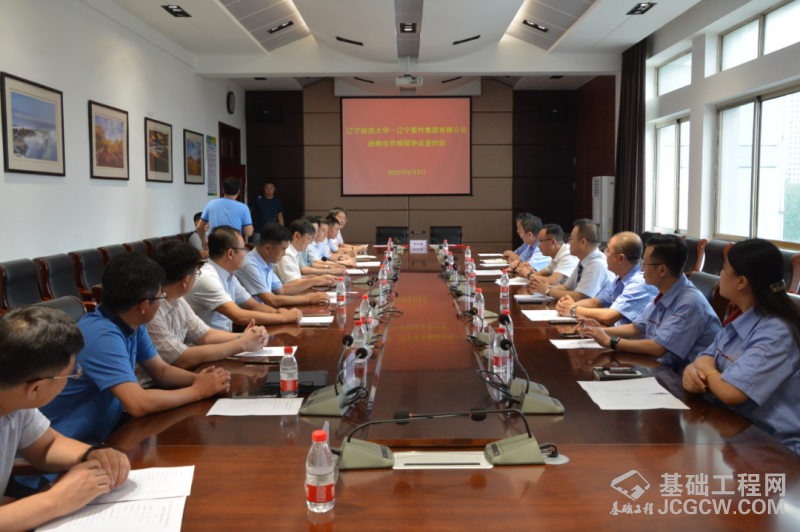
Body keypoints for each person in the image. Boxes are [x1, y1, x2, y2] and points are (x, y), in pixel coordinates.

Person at [40, 253, 232, 446]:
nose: (162, 301)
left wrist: (201, 380)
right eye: (161, 297)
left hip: (100, 435)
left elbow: (161, 371)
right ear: (143, 305)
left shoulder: (130, 321)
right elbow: (137, 403)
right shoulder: (101, 335)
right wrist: (198, 391)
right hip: (61, 448)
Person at [0, 307, 131, 532]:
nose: (75, 375)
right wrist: (57, 500)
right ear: (35, 388)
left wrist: (92, 453)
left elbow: (46, 445)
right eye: (72, 372)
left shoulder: (16, 402)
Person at [683, 239, 800, 454]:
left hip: (773, 446)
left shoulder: (775, 333)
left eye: (724, 269)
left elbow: (731, 392)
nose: (720, 274)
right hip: (734, 429)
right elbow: (703, 358)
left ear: (741, 282)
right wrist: (691, 373)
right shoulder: (741, 319)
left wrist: (706, 369)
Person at [579, 234, 722, 373]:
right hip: (659, 367)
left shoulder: (689, 303)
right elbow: (637, 328)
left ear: (662, 270)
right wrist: (597, 331)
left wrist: (610, 341)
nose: (641, 269)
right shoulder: (665, 292)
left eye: (645, 263)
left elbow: (658, 348)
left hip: (684, 379)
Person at [135, 241, 269, 388]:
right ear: (185, 281)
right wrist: (242, 344)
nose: (197, 276)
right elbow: (181, 358)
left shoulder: (177, 300)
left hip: (175, 379)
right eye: (196, 273)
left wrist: (245, 337)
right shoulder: (150, 310)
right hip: (150, 388)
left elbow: (205, 335)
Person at [184, 226, 303, 331]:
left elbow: (253, 305)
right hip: (207, 346)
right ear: (230, 253)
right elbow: (239, 316)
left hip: (225, 340)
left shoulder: (229, 276)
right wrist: (283, 317)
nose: (245, 254)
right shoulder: (208, 279)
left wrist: (277, 312)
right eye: (243, 249)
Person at [554, 232, 657, 326]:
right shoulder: (620, 279)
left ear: (621, 258)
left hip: (628, 339)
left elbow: (609, 316)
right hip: (614, 333)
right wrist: (567, 305)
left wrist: (573, 309)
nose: (605, 254)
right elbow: (595, 302)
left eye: (608, 251)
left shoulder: (639, 282)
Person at [236, 223, 337, 308]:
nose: (284, 254)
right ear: (268, 248)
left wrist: (314, 281)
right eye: (283, 249)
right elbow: (271, 300)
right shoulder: (250, 265)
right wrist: (308, 299)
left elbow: (282, 290)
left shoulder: (267, 262)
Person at [529, 219, 614, 302]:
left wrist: (548, 290)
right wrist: (541, 287)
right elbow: (567, 287)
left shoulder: (597, 263)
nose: (568, 243)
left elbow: (579, 296)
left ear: (583, 242)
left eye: (571, 239)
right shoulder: (584, 261)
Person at [196, 177, 253, 248]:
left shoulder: (211, 204)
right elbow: (249, 233)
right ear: (238, 192)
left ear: (223, 190)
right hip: (234, 245)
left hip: (215, 244)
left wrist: (203, 240)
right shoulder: (243, 207)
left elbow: (199, 227)